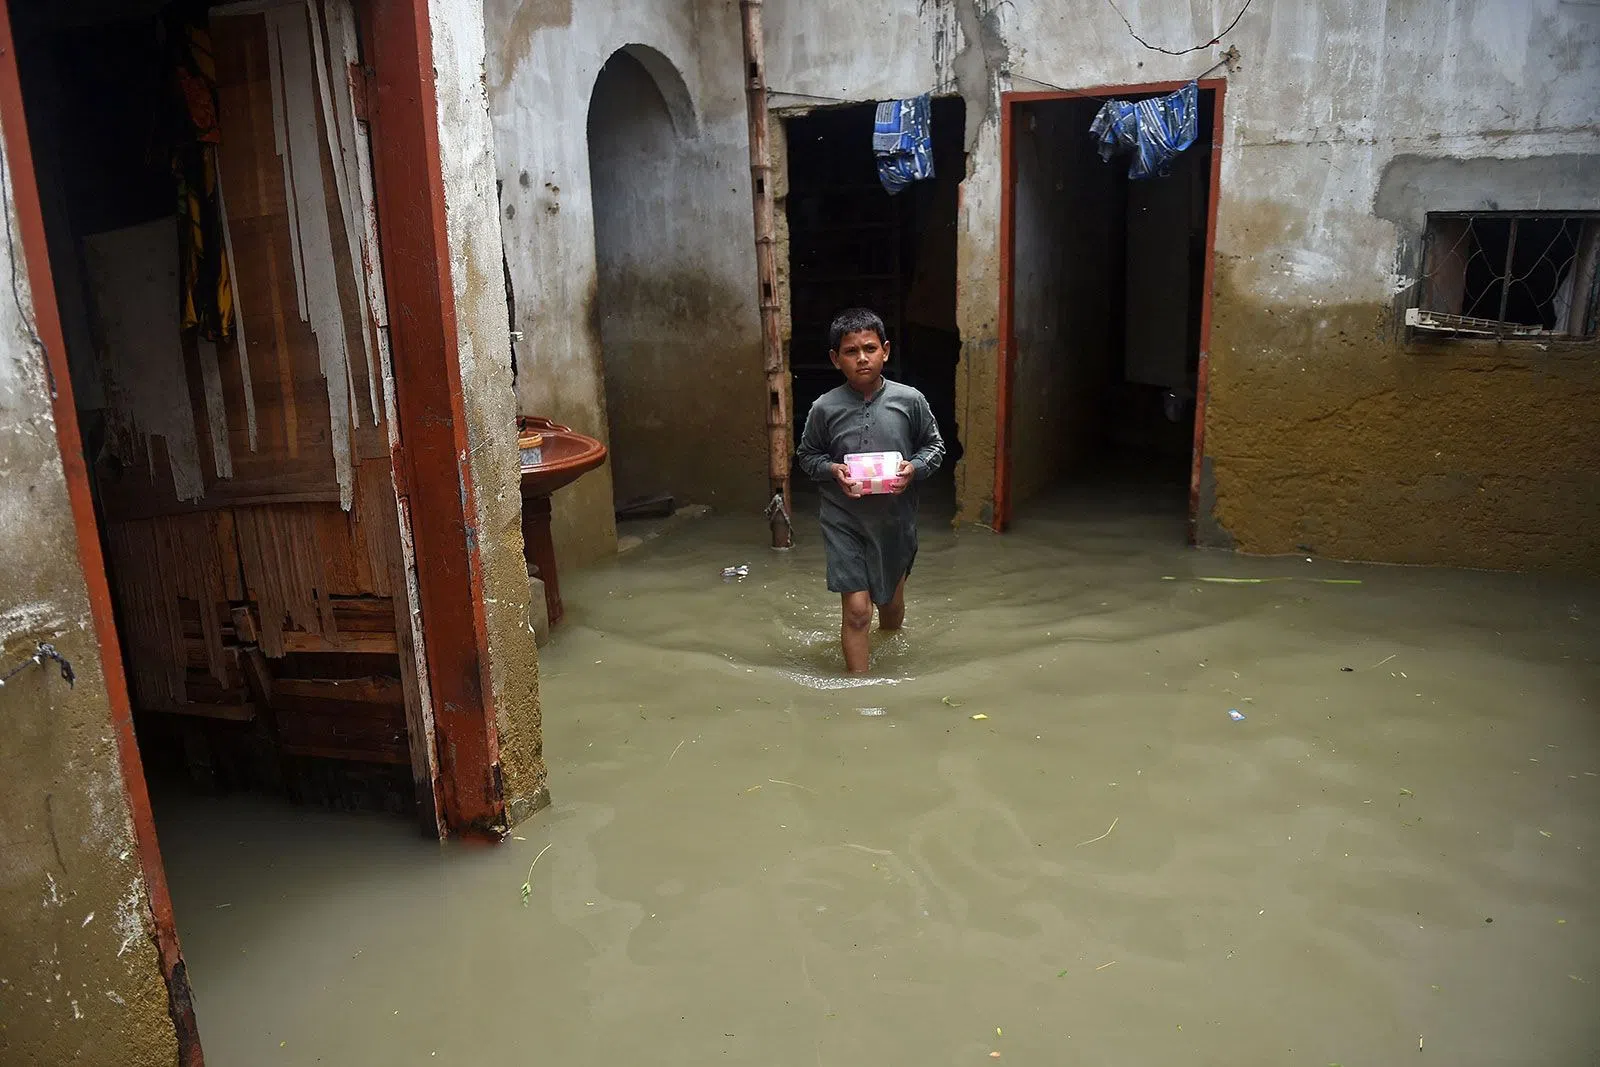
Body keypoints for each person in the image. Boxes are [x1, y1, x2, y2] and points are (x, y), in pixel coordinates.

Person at [796, 308, 945, 673]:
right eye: (851, 351)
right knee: (858, 612)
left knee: (890, 608)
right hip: (843, 519)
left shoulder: (910, 400)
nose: (862, 358)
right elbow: (806, 456)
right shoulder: (824, 408)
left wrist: (915, 468)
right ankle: (858, 690)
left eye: (870, 348)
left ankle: (890, 643)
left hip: (895, 520)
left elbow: (935, 447)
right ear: (836, 358)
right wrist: (833, 470)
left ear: (886, 351)